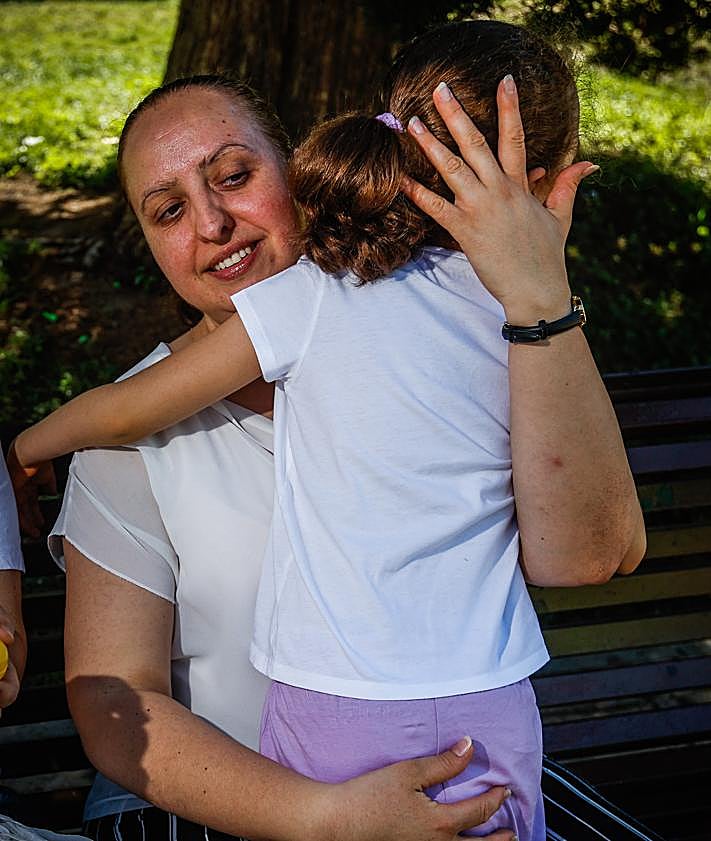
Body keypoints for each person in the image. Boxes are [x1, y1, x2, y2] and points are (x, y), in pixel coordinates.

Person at [11, 20, 645, 841]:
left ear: (302, 167)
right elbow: (112, 700)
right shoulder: (126, 429)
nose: (211, 223)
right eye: (168, 210)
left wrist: (540, 301)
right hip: (229, 806)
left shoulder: (488, 324)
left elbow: (588, 554)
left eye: (234, 176)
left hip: (452, 770)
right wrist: (326, 815)